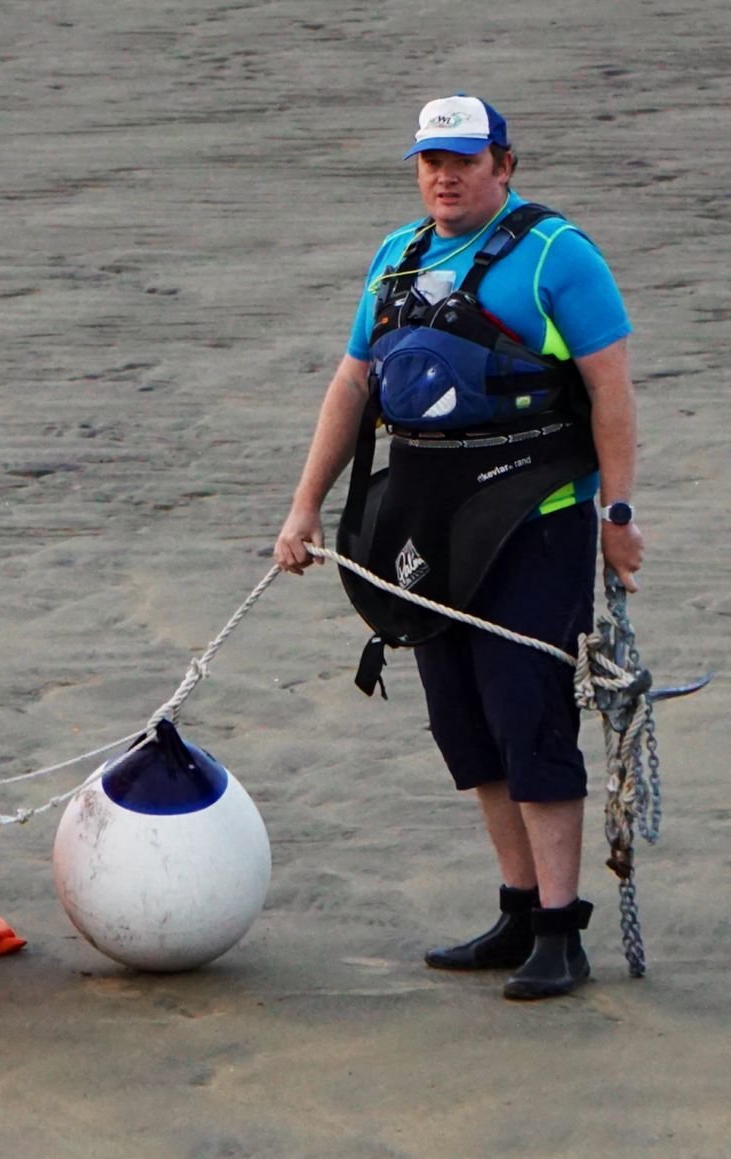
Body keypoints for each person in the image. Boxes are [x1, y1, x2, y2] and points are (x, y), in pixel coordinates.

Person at [273, 94, 645, 1000]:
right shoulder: (394, 258)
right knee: (463, 720)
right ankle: (518, 909)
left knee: (527, 708)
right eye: (432, 161)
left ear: (504, 165)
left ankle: (563, 927)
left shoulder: (562, 255)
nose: (445, 176)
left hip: (536, 510)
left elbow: (612, 392)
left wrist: (619, 514)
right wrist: (304, 506)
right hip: (425, 515)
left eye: (466, 160)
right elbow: (353, 385)